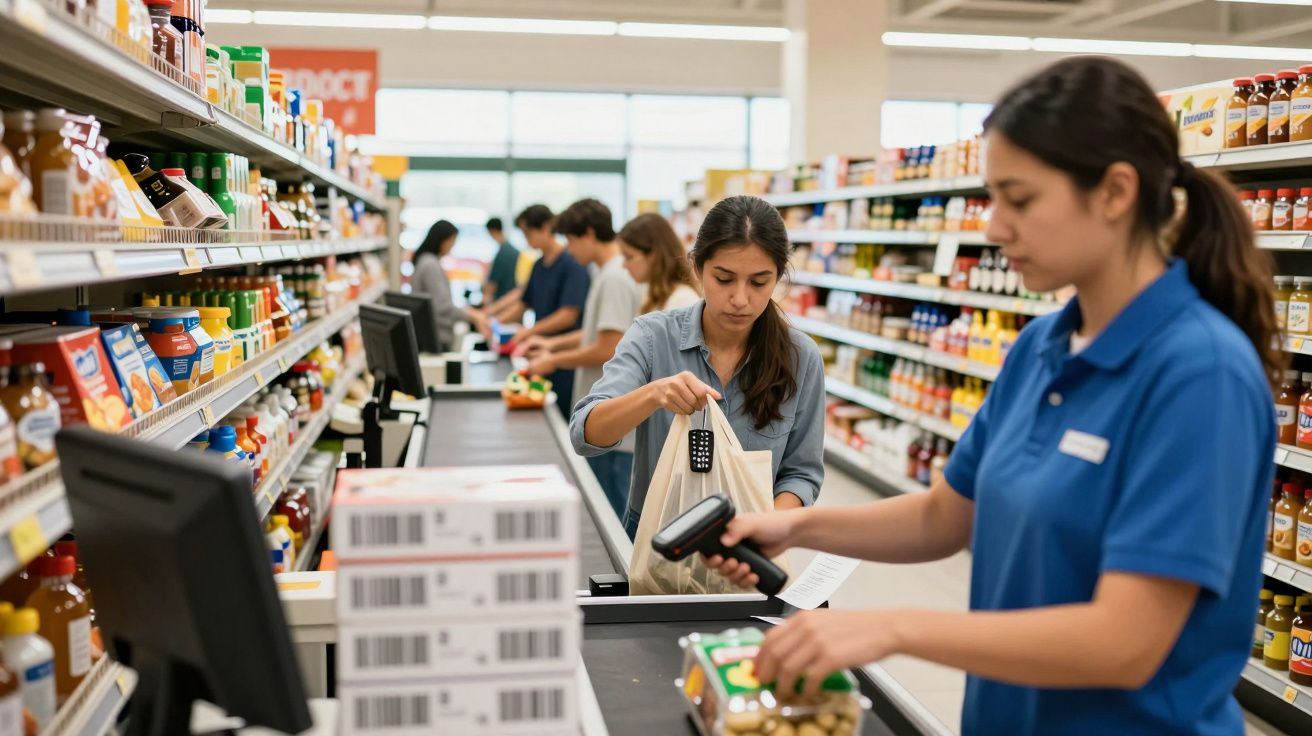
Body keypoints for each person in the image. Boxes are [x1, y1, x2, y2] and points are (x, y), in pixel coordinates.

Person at [705, 56, 1279, 736]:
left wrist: (894, 626)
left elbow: (1127, 643)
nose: (994, 227)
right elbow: (944, 518)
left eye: (1020, 198)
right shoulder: (1042, 347)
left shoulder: (1199, 373)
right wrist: (789, 524)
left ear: (1116, 192)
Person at [569, 196, 825, 539]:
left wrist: (768, 526)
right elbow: (585, 433)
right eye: (724, 279)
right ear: (696, 268)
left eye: (759, 282)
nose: (740, 299)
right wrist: (653, 394)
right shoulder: (651, 338)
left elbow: (801, 473)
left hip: (750, 545)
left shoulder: (801, 358)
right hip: (656, 540)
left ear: (778, 276)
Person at [518, 199, 642, 517]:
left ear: (588, 233)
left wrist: (554, 361)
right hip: (609, 422)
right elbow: (594, 335)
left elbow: (607, 349)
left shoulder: (614, 278)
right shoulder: (608, 274)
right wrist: (552, 346)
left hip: (611, 424)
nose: (569, 250)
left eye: (571, 240)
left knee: (612, 517)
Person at [486, 204, 590, 413]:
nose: (526, 240)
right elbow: (523, 304)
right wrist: (493, 324)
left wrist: (529, 332)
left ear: (545, 227)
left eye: (528, 233)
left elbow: (568, 316)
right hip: (540, 354)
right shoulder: (539, 265)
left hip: (566, 357)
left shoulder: (572, 264)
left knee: (562, 415)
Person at [410, 220, 491, 351]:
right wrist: (473, 316)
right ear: (441, 240)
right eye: (452, 241)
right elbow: (443, 307)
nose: (452, 246)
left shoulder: (426, 260)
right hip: (437, 336)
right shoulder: (431, 265)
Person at [617, 213, 701, 313]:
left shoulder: (682, 299)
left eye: (629, 257)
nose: (624, 265)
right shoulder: (653, 295)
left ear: (654, 254)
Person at [483, 217, 521, 308]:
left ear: (491, 231)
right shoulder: (515, 251)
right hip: (514, 304)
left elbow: (492, 284)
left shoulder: (502, 253)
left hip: (501, 304)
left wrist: (485, 306)